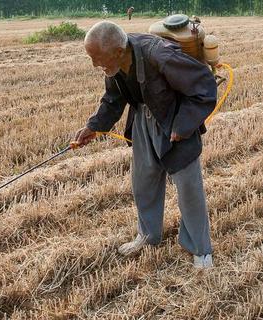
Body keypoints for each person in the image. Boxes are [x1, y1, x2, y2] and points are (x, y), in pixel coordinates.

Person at [72, 21, 218, 269]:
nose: (95, 64)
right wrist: (94, 126)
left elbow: (205, 86)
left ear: (119, 51)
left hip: (174, 120)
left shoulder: (161, 56)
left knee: (188, 188)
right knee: (143, 182)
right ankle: (148, 236)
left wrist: (183, 125)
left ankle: (201, 250)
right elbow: (113, 98)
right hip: (142, 120)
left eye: (97, 58)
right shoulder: (115, 62)